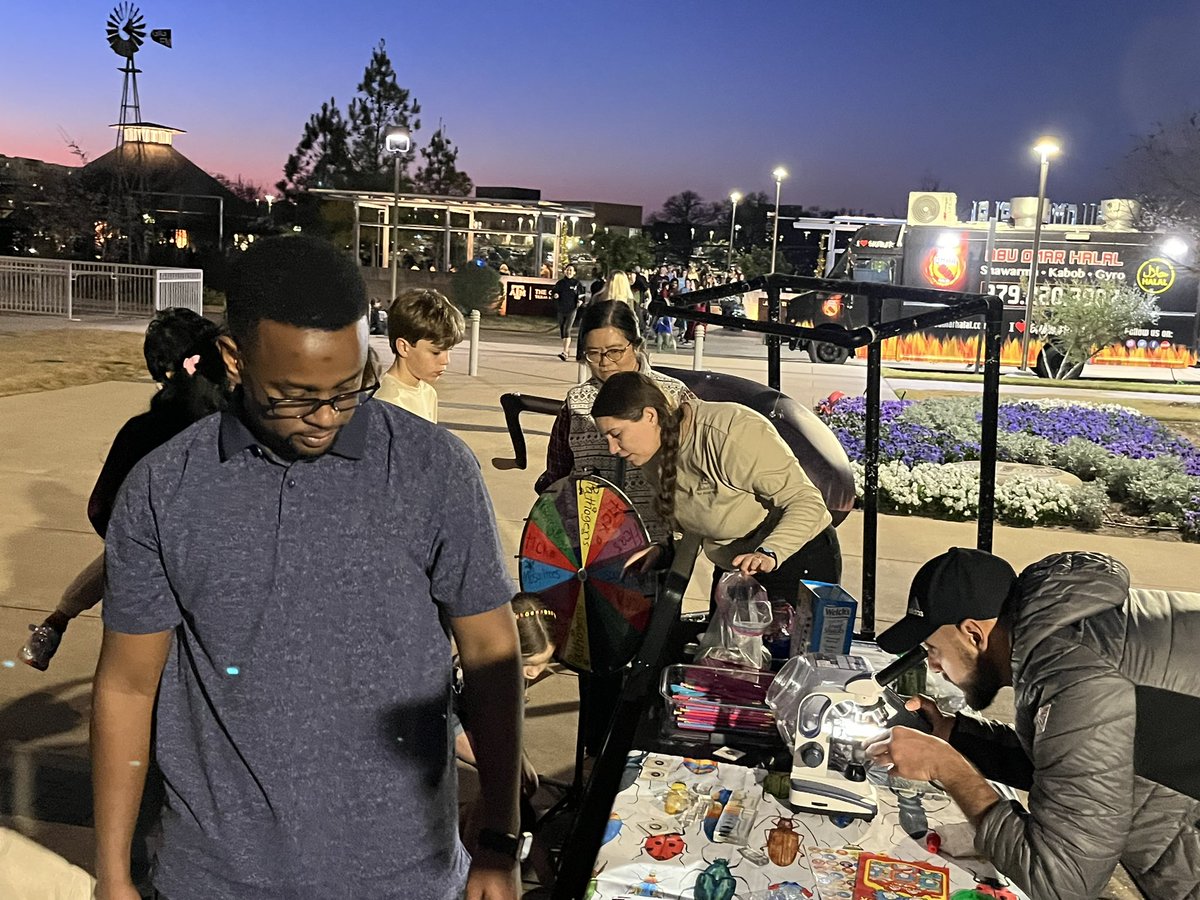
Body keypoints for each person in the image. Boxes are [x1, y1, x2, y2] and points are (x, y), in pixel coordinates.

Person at [91, 235, 524, 900]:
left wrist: (498, 837)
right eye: (295, 395)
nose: (326, 417)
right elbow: (126, 687)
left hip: (404, 878)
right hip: (213, 879)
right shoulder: (164, 490)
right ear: (234, 359)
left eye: (348, 388)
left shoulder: (436, 471)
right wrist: (114, 872)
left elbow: (493, 653)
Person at [865, 548, 1200, 900]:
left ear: (973, 635)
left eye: (933, 649)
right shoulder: (1071, 632)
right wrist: (955, 736)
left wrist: (946, 767)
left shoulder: (1079, 673)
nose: (933, 666)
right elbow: (1074, 766)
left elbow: (1061, 880)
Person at [19, 307, 228, 671]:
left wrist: (133, 546)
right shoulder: (222, 426)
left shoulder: (145, 429)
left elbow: (101, 508)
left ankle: (55, 623)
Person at [591, 371, 836, 596]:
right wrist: (665, 550)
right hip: (737, 566)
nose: (613, 449)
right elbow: (699, 518)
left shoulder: (728, 432)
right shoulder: (651, 454)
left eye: (617, 434)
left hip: (796, 558)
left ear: (650, 416)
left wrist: (769, 553)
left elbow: (807, 502)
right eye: (606, 439)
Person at [535, 302, 694, 545]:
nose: (605, 362)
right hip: (592, 545)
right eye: (593, 353)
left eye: (615, 351)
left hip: (658, 542)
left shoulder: (673, 395)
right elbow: (558, 474)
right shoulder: (576, 402)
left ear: (636, 344)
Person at [377, 287, 465, 423]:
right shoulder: (385, 403)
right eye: (436, 352)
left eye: (449, 350)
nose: (446, 360)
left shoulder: (429, 394)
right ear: (404, 347)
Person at [552, 263, 585, 361]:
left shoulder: (577, 284)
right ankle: (566, 350)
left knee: (567, 329)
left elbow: (581, 296)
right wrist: (555, 296)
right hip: (561, 309)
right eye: (567, 270)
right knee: (562, 330)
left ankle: (565, 352)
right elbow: (554, 292)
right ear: (564, 271)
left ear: (574, 272)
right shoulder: (560, 283)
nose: (569, 272)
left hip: (572, 309)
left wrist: (580, 301)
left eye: (571, 270)